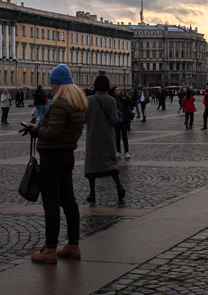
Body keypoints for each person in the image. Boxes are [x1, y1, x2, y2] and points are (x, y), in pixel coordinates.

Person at [24, 64, 86, 263]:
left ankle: (50, 249)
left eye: (53, 84)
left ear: (58, 83)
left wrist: (36, 131)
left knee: (51, 202)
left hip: (53, 156)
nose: (51, 88)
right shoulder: (76, 102)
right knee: (68, 199)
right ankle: (73, 245)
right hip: (67, 154)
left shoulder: (60, 104)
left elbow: (53, 133)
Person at [84, 74, 126, 204]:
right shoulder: (111, 100)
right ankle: (119, 186)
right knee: (110, 162)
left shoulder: (89, 100)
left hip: (92, 136)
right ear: (107, 86)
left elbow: (85, 119)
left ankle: (92, 193)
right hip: (107, 136)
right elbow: (114, 120)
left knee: (92, 164)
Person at [112, 86, 133, 158]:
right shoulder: (113, 100)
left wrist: (126, 98)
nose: (119, 91)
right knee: (117, 137)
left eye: (119, 90)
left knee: (125, 136)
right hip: (117, 120)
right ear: (114, 93)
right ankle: (118, 151)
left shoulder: (123, 99)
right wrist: (115, 111)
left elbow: (132, 103)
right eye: (117, 90)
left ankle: (126, 151)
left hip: (124, 120)